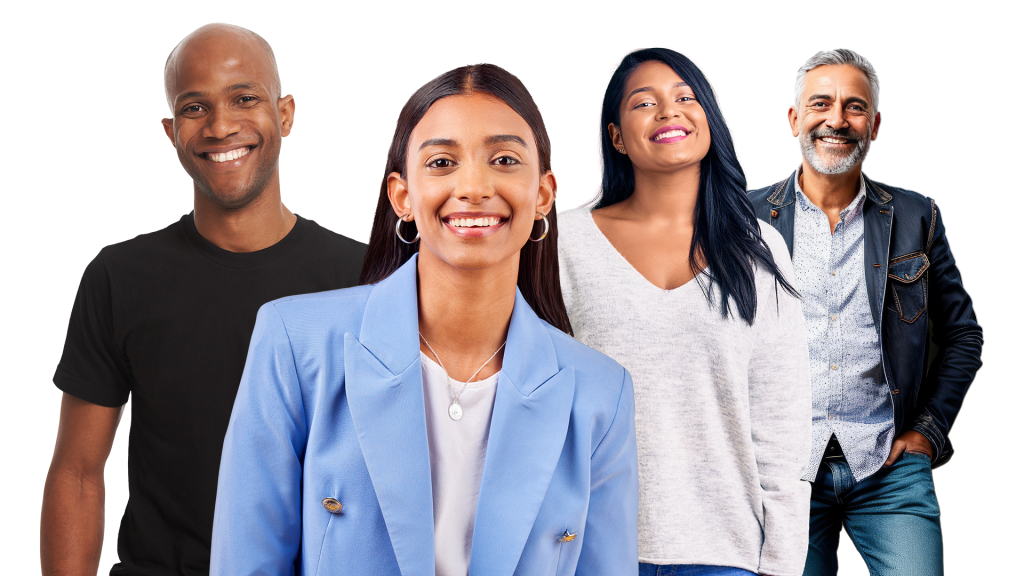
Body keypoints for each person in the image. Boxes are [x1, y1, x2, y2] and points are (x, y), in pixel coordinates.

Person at [209, 62, 639, 576]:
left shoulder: (600, 392)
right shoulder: (295, 344)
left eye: (504, 159)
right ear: (402, 196)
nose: (475, 186)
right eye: (441, 162)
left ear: (543, 194)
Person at [40, 23, 367, 575]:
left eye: (244, 98)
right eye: (195, 108)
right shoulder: (120, 276)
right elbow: (77, 471)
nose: (220, 126)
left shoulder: (364, 277)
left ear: (285, 114)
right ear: (170, 131)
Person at [557, 46, 811, 576]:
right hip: (587, 550)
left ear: (709, 121)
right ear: (617, 137)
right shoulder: (563, 242)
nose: (669, 111)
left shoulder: (759, 250)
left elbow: (782, 427)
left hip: (724, 554)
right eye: (644, 103)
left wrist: (782, 564)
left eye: (685, 97)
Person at [747, 48, 984, 575]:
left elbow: (964, 335)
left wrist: (927, 431)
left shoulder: (916, 215)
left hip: (888, 465)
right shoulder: (744, 217)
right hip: (780, 472)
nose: (837, 119)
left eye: (854, 107)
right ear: (793, 119)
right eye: (820, 103)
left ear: (875, 124)